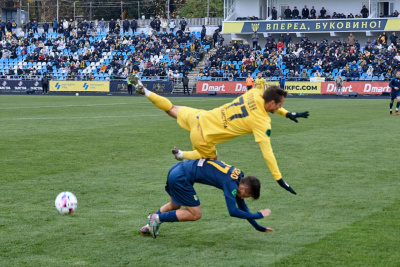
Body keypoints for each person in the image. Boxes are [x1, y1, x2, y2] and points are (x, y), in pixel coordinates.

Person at [129, 74, 309, 194]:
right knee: (212, 158)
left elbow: (267, 100)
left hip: (200, 117)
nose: (279, 107)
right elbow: (267, 153)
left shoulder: (254, 92)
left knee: (171, 108)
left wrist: (286, 113)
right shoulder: (262, 122)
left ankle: (145, 91)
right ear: (271, 103)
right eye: (279, 105)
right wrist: (279, 179)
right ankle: (181, 155)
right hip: (203, 137)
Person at [141, 159, 273, 238]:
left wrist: (258, 226)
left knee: (174, 206)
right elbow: (233, 211)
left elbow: (242, 206)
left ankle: (149, 226)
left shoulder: (239, 176)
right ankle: (156, 218)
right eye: (245, 195)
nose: (243, 197)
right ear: (244, 187)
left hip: (177, 169)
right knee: (195, 214)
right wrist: (258, 215)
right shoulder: (231, 184)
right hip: (182, 177)